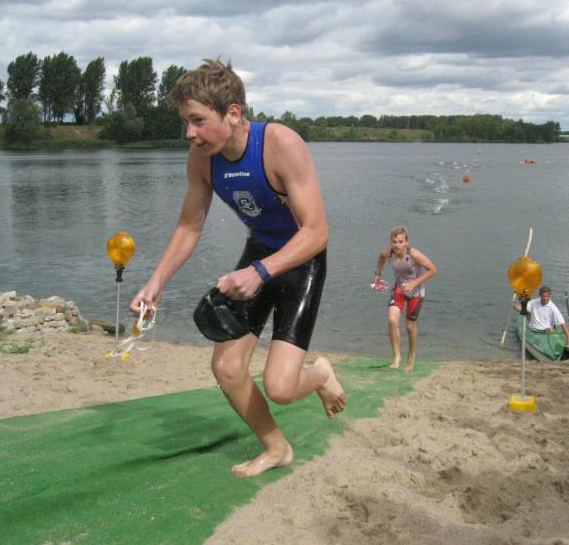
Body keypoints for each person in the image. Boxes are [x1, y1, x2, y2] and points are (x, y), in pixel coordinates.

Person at [130, 59, 345, 477]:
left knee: (281, 387)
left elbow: (317, 232)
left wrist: (260, 272)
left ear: (232, 113)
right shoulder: (203, 159)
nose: (189, 133)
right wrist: (155, 284)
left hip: (300, 260)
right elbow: (189, 226)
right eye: (185, 122)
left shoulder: (280, 144)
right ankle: (277, 447)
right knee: (227, 368)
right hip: (258, 254)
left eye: (198, 120)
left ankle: (319, 374)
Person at [373, 226, 437, 372]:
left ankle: (411, 355)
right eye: (394, 242)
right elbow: (381, 259)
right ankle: (397, 356)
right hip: (399, 289)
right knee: (392, 320)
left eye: (400, 242)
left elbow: (433, 270)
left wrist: (413, 283)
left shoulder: (414, 254)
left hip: (416, 292)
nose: (397, 245)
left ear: (406, 242)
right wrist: (377, 275)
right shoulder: (387, 252)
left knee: (409, 326)